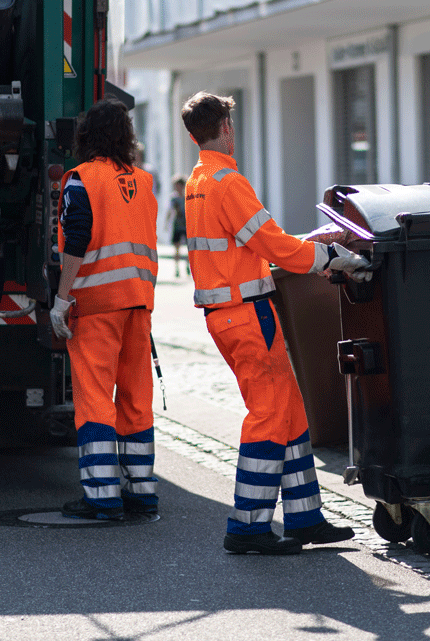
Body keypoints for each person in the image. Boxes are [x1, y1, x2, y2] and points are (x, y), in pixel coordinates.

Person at [180, 91, 372, 555]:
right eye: (231, 123)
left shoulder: (197, 181)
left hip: (226, 314)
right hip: (248, 316)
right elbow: (274, 246)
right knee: (268, 415)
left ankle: (305, 518)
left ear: (192, 135)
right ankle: (247, 526)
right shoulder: (229, 181)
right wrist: (333, 255)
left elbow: (254, 245)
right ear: (225, 128)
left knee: (289, 412)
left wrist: (309, 245)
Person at [50, 98, 160, 520]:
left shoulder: (82, 179)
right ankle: (142, 492)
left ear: (86, 137)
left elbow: (76, 238)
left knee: (95, 399)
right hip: (138, 304)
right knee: (135, 399)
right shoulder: (145, 182)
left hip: (96, 306)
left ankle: (101, 497)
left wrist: (62, 299)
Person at [166, 176, 188, 277]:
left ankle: (188, 266)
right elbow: (170, 211)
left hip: (187, 225)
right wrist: (167, 223)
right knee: (177, 248)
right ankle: (177, 268)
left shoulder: (187, 196)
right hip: (177, 225)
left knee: (189, 248)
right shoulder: (173, 198)